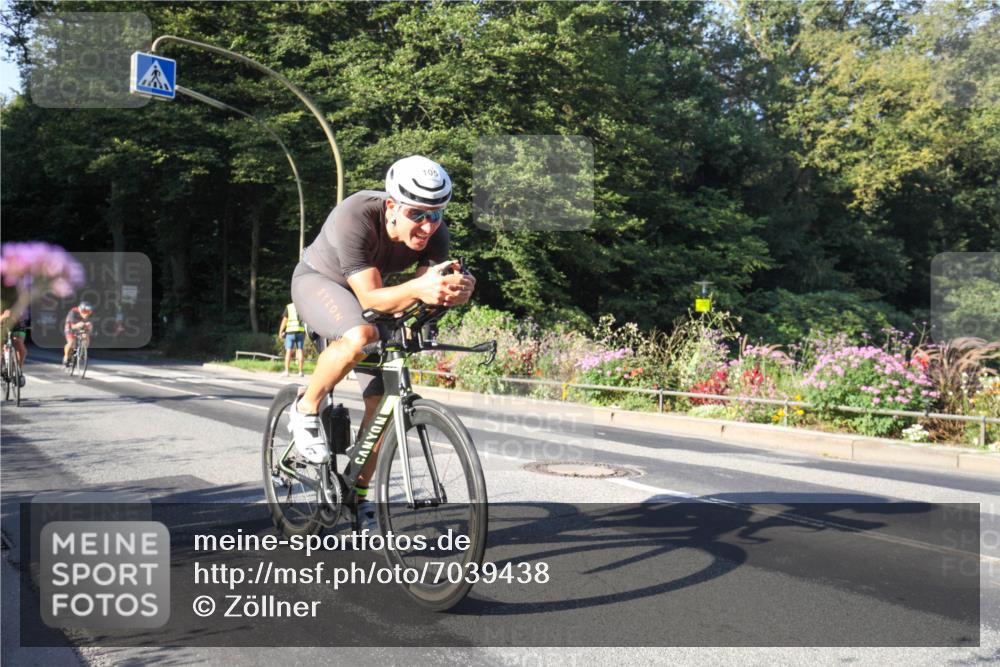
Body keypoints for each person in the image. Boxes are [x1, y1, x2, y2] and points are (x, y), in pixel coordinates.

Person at [288, 155, 475, 512]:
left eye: (435, 215)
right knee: (360, 333)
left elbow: (423, 298)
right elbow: (371, 297)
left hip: (374, 297)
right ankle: (306, 406)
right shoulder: (356, 215)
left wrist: (456, 292)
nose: (427, 226)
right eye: (416, 214)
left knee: (383, 404)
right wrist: (422, 289)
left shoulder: (437, 235)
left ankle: (354, 494)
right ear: (392, 206)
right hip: (320, 282)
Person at [0, 307, 28, 387]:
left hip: (17, 324)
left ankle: (18, 371)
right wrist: (3, 317)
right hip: (1, 324)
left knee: (19, 344)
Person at [278, 302, 306, 377]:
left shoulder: (289, 307)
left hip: (290, 332)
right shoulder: (303, 306)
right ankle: (300, 372)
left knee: (288, 351)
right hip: (300, 332)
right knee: (300, 350)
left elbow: (284, 320)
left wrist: (280, 331)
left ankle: (287, 371)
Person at [63, 301, 94, 367]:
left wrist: (89, 328)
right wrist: (79, 325)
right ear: (81, 310)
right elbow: (73, 326)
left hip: (81, 326)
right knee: (71, 342)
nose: (87, 314)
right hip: (70, 327)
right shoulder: (73, 312)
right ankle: (66, 357)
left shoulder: (89, 314)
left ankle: (83, 352)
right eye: (85, 312)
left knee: (86, 336)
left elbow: (90, 327)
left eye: (89, 312)